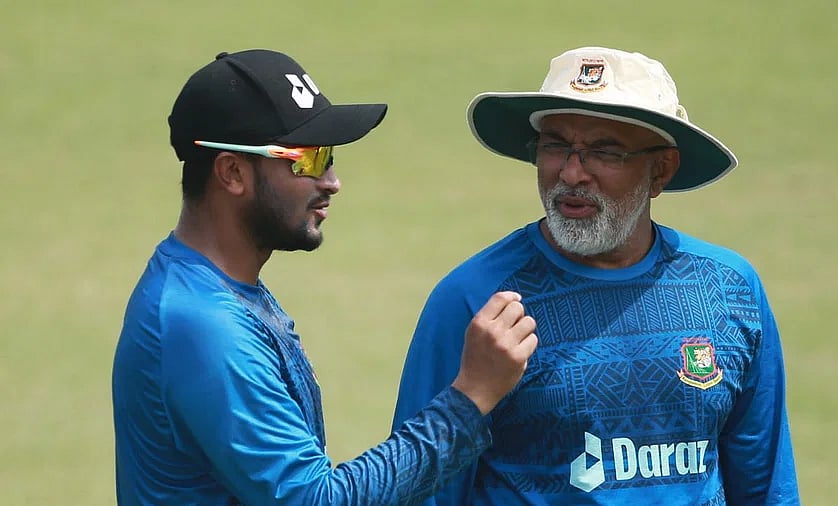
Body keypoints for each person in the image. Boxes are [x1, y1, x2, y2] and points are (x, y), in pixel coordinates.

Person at [111, 49, 538, 505]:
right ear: (232, 172)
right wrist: (470, 398)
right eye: (308, 160)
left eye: (328, 156)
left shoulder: (219, 288)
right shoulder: (202, 325)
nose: (332, 181)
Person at [392, 46, 800, 504]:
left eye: (604, 151)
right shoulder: (477, 300)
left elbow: (765, 487)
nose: (571, 173)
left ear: (661, 169)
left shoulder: (728, 290)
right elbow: (421, 488)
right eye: (556, 146)